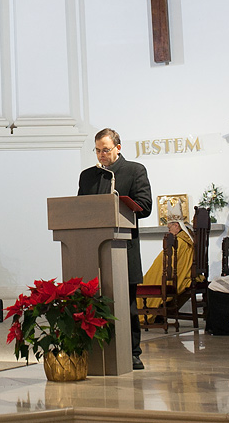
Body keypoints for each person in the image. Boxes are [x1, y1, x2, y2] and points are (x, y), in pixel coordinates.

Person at [77, 127, 153, 370]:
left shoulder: (134, 171)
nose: (101, 155)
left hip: (123, 249)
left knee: (126, 305)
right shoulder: (87, 176)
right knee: (92, 303)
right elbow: (80, 210)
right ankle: (94, 350)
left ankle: (132, 353)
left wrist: (119, 205)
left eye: (106, 150)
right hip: (92, 252)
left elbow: (145, 206)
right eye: (97, 151)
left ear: (118, 148)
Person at [137, 218, 195, 322]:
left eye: (169, 228)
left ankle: (147, 313)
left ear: (176, 225)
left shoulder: (179, 241)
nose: (169, 231)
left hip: (174, 277)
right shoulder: (188, 239)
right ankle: (158, 314)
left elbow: (164, 264)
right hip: (189, 274)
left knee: (144, 282)